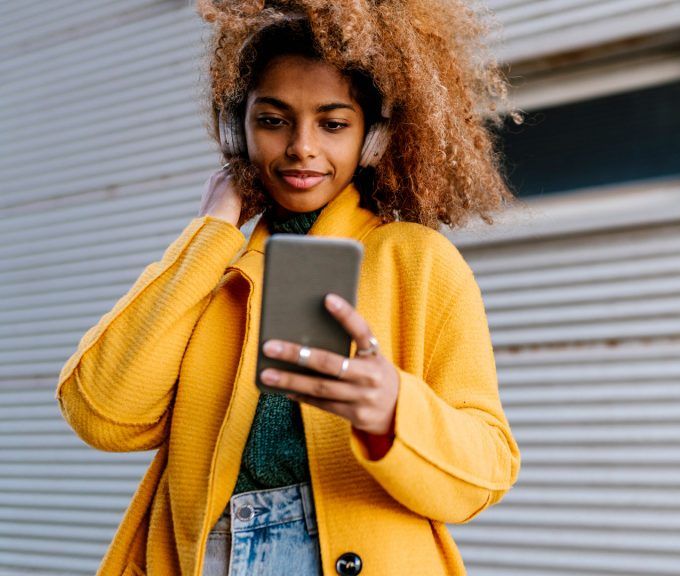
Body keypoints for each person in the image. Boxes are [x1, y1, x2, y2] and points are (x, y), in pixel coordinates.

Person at [54, 1, 522, 574]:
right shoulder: (216, 267)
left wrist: (394, 411)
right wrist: (212, 231)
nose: (302, 146)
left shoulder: (419, 261)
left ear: (371, 139)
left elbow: (488, 467)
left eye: (333, 123)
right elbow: (102, 412)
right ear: (237, 129)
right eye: (273, 120)